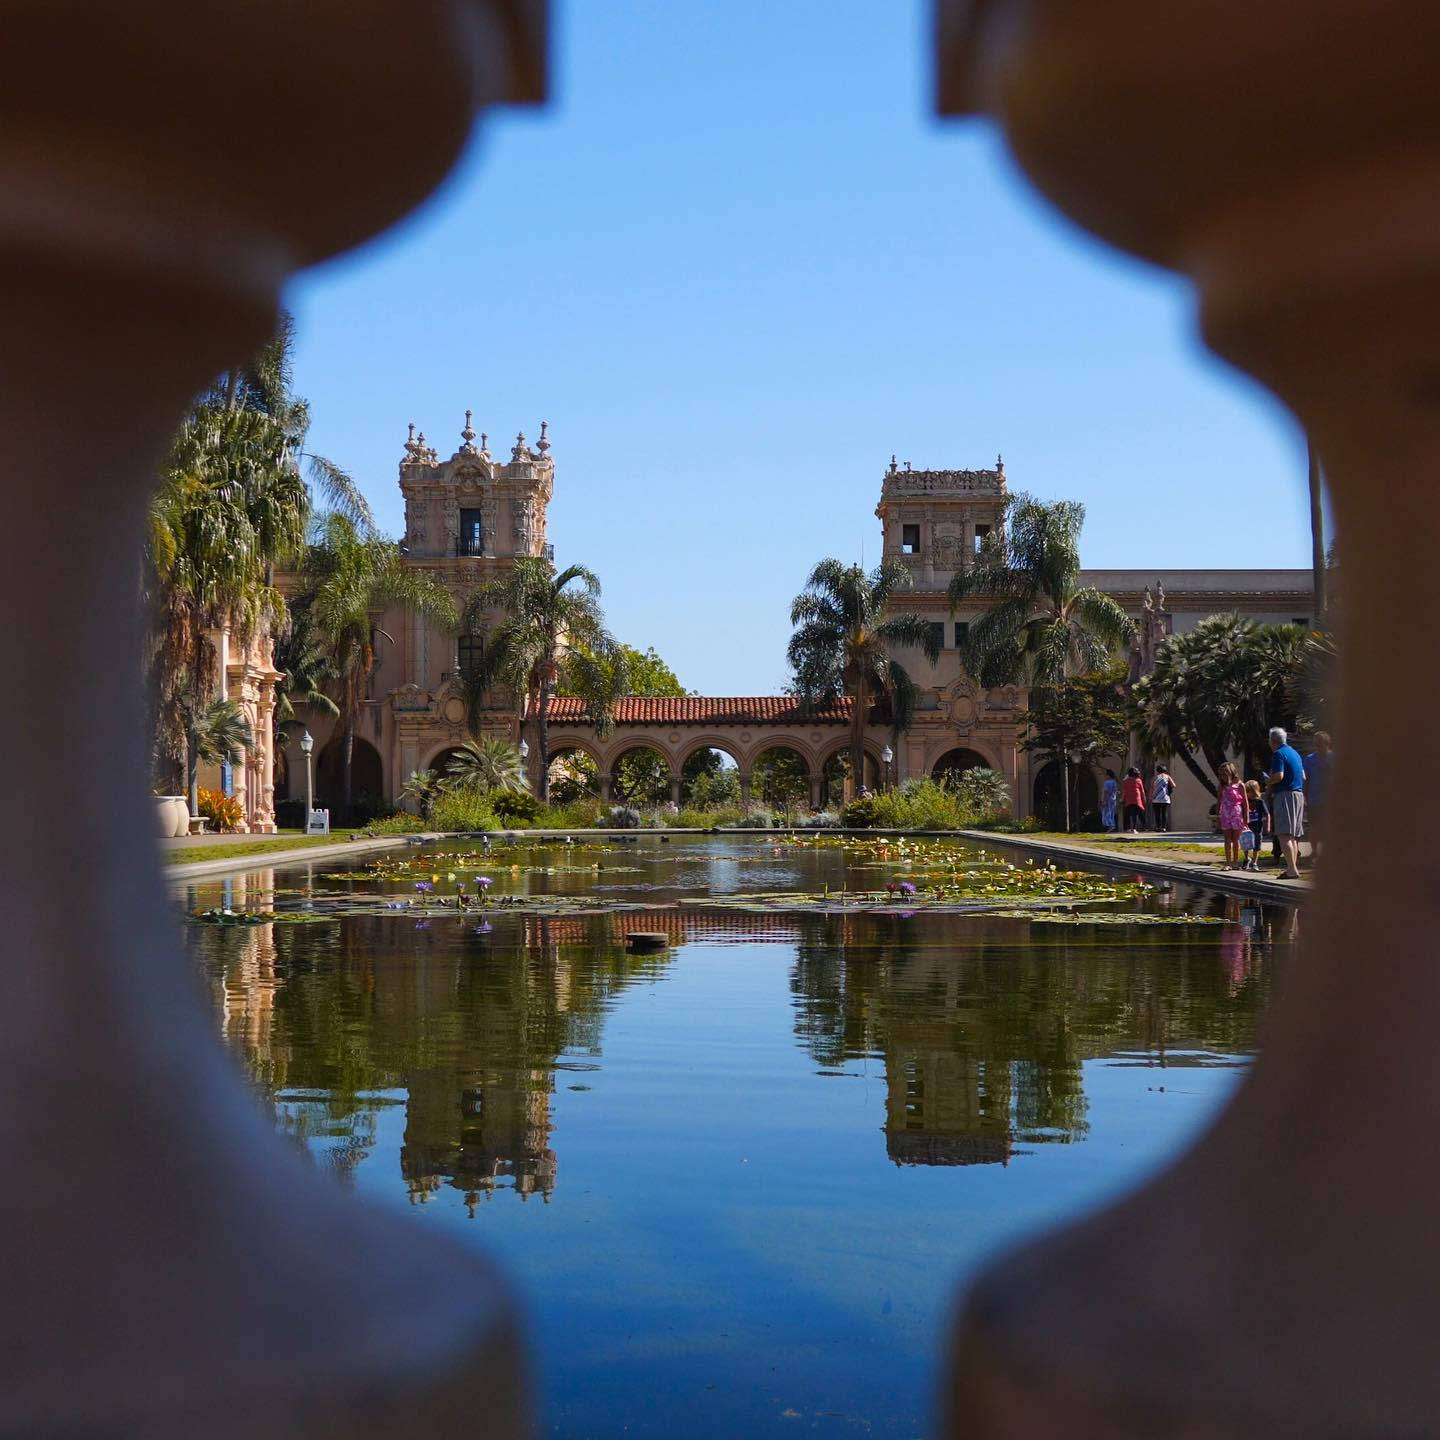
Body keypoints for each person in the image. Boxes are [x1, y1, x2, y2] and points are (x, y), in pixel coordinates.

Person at [1264, 725, 1306, 878]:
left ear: (1272, 740)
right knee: (1293, 835)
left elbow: (1279, 776)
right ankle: (1292, 868)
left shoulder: (1278, 754)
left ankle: (1292, 870)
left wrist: (1268, 781)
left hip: (1285, 795)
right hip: (1298, 794)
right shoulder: (1295, 753)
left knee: (1284, 834)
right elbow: (1303, 776)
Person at [1304, 729, 1333, 862]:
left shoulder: (1334, 758)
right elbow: (1306, 779)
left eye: (1320, 743)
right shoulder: (1310, 759)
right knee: (1314, 826)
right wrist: (1305, 796)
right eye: (1316, 743)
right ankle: (1315, 851)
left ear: (1327, 743)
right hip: (1314, 799)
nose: (1317, 746)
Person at [1216, 761, 1248, 868]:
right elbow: (1219, 801)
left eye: (1225, 773)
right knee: (1227, 839)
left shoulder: (1240, 785)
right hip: (1225, 814)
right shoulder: (1221, 786)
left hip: (1236, 813)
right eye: (1221, 774)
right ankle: (1228, 862)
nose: (1223, 776)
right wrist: (1218, 816)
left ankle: (1235, 861)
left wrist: (1246, 816)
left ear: (1231, 772)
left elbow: (1245, 802)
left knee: (1236, 840)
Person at [1242, 778, 1269, 871]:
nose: (1247, 794)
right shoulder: (1245, 802)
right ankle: (1246, 858)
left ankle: (1254, 862)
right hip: (1247, 827)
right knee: (1246, 844)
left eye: (1248, 791)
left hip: (1258, 827)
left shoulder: (1260, 802)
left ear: (1254, 791)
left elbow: (1267, 814)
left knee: (1257, 845)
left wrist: (1267, 826)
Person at [1150, 764, 1177, 832]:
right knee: (1164, 813)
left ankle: (1158, 827)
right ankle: (1164, 827)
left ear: (1157, 770)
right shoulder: (1167, 777)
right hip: (1165, 798)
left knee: (1157, 814)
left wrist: (1150, 797)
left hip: (1156, 798)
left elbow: (1152, 787)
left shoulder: (1155, 777)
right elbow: (1174, 785)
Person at [1121, 766, 1146, 833]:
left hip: (1128, 800)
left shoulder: (1126, 781)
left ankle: (1128, 828)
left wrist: (1122, 799)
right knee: (1135, 814)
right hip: (1137, 799)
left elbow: (1124, 791)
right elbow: (1142, 791)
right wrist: (1144, 799)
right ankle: (1134, 828)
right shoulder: (1138, 780)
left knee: (1128, 814)